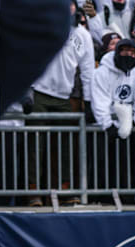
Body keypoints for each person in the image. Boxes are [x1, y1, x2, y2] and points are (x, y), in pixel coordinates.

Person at [29, 0, 95, 206]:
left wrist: (89, 101)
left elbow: (87, 71)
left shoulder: (83, 35)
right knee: (35, 145)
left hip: (64, 96)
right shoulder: (43, 24)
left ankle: (63, 190)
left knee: (66, 146)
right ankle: (34, 191)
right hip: (39, 91)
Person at [91, 39, 135, 192]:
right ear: (117, 52)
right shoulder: (102, 72)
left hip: (127, 128)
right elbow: (100, 100)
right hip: (105, 130)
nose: (128, 54)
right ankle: (102, 198)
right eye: (124, 50)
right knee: (103, 166)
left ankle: (126, 196)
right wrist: (107, 123)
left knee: (126, 166)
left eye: (132, 51)